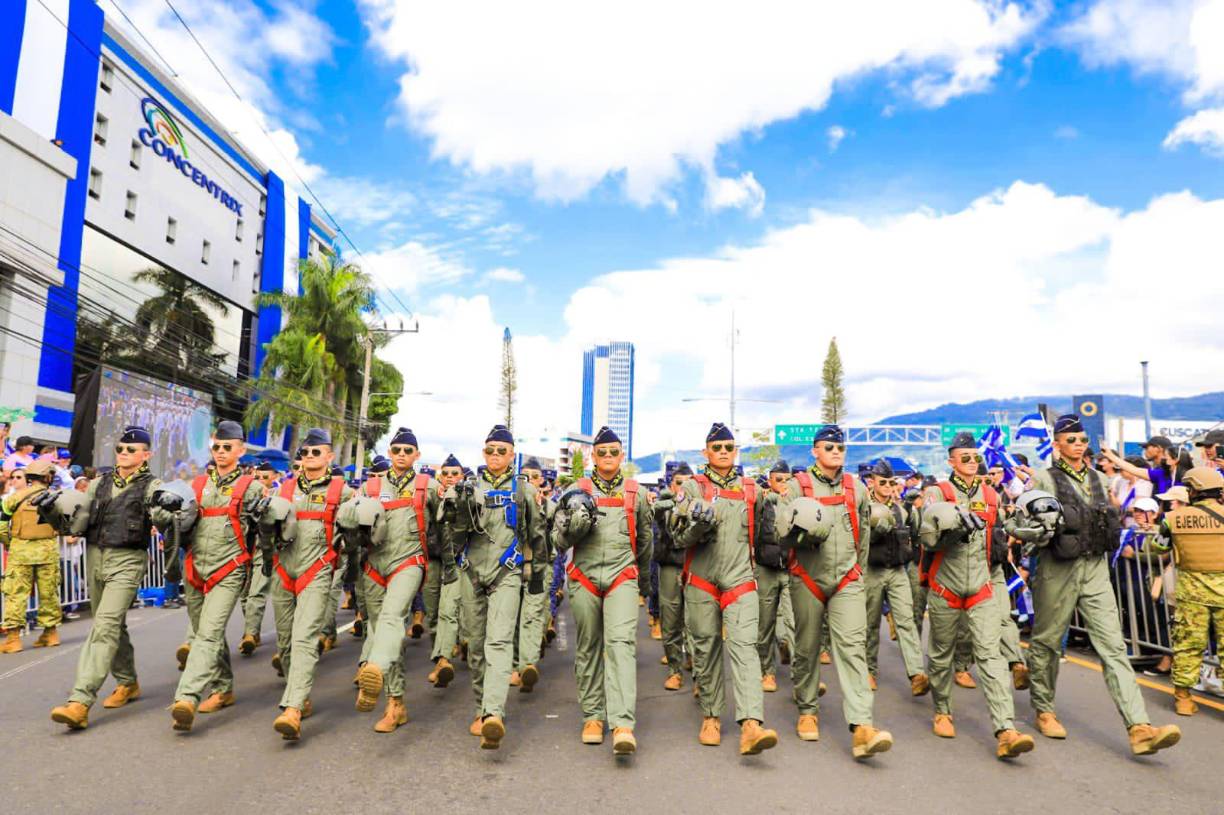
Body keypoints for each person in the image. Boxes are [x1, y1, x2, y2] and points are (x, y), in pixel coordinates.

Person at [1027, 414, 1181, 755]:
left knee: (1113, 646)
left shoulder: (1099, 478)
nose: (1079, 444)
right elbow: (1029, 524)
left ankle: (1138, 727)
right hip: (1058, 568)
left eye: (1083, 439)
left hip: (1095, 568)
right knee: (1049, 642)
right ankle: (1044, 708)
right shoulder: (1043, 479)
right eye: (1072, 440)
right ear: (1057, 445)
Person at [777, 424, 891, 759]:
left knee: (852, 648)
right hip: (807, 578)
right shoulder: (797, 486)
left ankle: (862, 727)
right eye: (829, 447)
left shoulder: (855, 487)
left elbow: (865, 538)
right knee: (807, 646)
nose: (836, 452)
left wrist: (857, 571)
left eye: (840, 448)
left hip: (846, 579)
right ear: (815, 451)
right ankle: (807, 710)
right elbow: (779, 530)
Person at [920, 434, 1033, 759]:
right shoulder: (936, 492)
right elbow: (926, 539)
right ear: (952, 461)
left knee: (990, 655)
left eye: (975, 458)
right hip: (945, 585)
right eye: (965, 458)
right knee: (941, 654)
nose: (972, 463)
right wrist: (952, 526)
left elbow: (1001, 533)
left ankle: (1006, 729)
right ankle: (942, 710)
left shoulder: (989, 494)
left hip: (982, 585)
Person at [669, 422, 778, 756]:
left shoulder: (752, 490)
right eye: (717, 447)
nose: (723, 453)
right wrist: (697, 526)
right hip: (701, 579)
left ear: (736, 451)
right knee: (705, 648)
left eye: (729, 447)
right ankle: (711, 716)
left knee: (746, 647)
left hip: (740, 579)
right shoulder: (691, 487)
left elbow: (765, 536)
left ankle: (750, 724)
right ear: (706, 452)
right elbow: (677, 539)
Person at [50, 426, 162, 731]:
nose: (123, 454)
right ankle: (128, 682)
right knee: (111, 623)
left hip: (127, 560)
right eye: (120, 449)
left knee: (105, 626)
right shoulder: (97, 484)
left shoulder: (153, 486)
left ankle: (80, 701)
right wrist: (54, 512)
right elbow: (74, 523)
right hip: (95, 557)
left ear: (146, 455)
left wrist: (167, 510)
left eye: (131, 450)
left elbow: (166, 516)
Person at [444, 424, 546, 749]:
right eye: (490, 450)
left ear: (512, 455)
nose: (496, 456)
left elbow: (537, 535)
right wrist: (457, 508)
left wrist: (537, 577)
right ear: (483, 453)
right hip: (471, 572)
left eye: (502, 450)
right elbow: (450, 533)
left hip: (508, 573)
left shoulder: (523, 491)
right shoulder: (467, 487)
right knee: (475, 646)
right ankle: (480, 706)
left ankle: (493, 714)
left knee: (499, 643)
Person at [552, 426, 652, 754]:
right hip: (584, 577)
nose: (608, 457)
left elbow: (646, 542)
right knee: (588, 646)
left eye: (614, 452)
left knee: (621, 645)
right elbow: (557, 540)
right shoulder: (575, 489)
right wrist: (572, 530)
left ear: (622, 456)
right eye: (602, 452)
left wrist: (644, 584)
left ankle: (623, 723)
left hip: (622, 576)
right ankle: (593, 715)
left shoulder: (636, 493)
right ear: (593, 456)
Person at [159, 421, 263, 731]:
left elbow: (263, 533)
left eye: (227, 447)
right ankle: (223, 688)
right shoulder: (196, 484)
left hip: (230, 568)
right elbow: (178, 522)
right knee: (207, 631)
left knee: (207, 634)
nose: (220, 452)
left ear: (241, 451)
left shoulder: (252, 488)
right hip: (195, 567)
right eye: (216, 446)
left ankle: (187, 697)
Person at [345, 427, 442, 733]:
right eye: (396, 450)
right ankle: (395, 703)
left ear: (417, 455)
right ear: (389, 453)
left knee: (391, 616)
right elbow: (350, 521)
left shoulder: (429, 486)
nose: (401, 455)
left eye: (407, 451)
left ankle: (372, 666)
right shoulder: (371, 487)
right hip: (374, 564)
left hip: (409, 561)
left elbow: (447, 523)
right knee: (381, 628)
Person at [259, 428, 354, 740]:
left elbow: (359, 527)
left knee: (303, 638)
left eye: (317, 452)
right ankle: (299, 693)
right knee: (285, 642)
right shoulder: (283, 490)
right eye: (305, 452)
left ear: (329, 456)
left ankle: (293, 708)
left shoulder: (343, 492)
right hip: (284, 571)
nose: (310, 457)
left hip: (318, 571)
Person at [1153, 467, 1224, 716]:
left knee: (1188, 644)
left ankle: (1183, 698)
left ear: (1193, 491)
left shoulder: (1173, 519)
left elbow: (1156, 546)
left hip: (1191, 594)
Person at [862, 460, 929, 696]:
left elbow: (914, 535)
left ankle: (916, 673)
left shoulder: (901, 510)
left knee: (906, 622)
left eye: (892, 482)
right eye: (883, 482)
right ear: (872, 482)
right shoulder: (864, 507)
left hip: (898, 571)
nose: (889, 486)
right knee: (870, 623)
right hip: (872, 571)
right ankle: (868, 670)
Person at [1, 460, 62, 653]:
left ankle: (13, 639)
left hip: (20, 553)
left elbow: (2, 527)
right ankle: (50, 634)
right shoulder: (58, 498)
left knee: (16, 594)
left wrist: (12, 544)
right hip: (48, 551)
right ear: (47, 477)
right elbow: (67, 524)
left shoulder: (13, 499)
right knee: (49, 593)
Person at [510, 456, 550, 691]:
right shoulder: (512, 502)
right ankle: (516, 665)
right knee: (514, 617)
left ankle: (527, 665)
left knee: (532, 616)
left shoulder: (551, 506)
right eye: (525, 477)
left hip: (539, 567)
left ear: (542, 479)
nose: (530, 481)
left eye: (535, 477)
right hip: (513, 568)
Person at [424, 454, 465, 687]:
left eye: (455, 473)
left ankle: (443, 660)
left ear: (462, 476)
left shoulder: (468, 495)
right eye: (446, 473)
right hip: (433, 558)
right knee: (432, 610)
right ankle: (440, 651)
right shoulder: (432, 495)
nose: (450, 477)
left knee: (449, 609)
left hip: (458, 561)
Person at [754, 460, 795, 693]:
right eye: (778, 479)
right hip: (766, 569)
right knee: (765, 624)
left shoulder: (797, 502)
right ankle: (766, 672)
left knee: (793, 623)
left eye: (786, 479)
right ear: (770, 480)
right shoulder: (762, 502)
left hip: (790, 570)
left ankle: (800, 676)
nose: (783, 483)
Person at [652, 463, 693, 690]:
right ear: (671, 484)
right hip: (670, 565)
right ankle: (675, 669)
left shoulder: (699, 503)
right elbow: (657, 512)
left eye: (689, 482)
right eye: (679, 483)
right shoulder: (665, 504)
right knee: (670, 619)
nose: (683, 487)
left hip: (694, 565)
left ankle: (697, 668)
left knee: (695, 620)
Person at [238, 461, 279, 657]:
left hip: (266, 549)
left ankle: (250, 633)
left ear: (275, 476)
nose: (261, 480)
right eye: (258, 477)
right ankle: (253, 630)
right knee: (244, 595)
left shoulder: (280, 494)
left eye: (265, 477)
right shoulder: (248, 493)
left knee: (257, 592)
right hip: (246, 546)